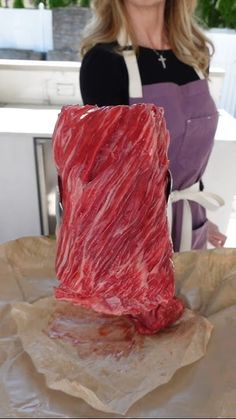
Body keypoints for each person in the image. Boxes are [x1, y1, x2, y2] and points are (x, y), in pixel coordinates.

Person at [79, 0, 227, 252]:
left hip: (191, 225)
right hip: (135, 236)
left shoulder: (194, 54)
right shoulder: (103, 63)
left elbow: (188, 155)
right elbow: (104, 173)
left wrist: (195, 213)